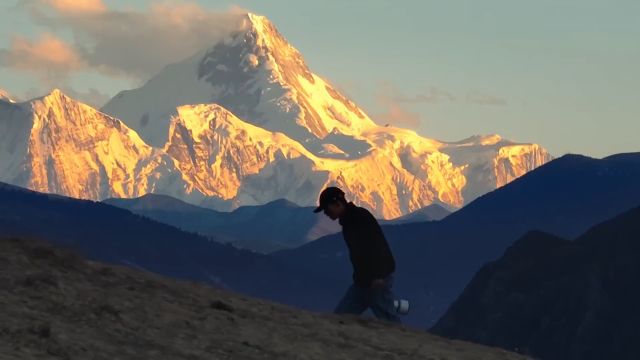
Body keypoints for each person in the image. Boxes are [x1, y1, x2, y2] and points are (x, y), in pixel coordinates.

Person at [313, 186, 402, 323]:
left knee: (389, 321)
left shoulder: (358, 218)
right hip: (363, 282)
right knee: (340, 319)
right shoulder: (350, 221)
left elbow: (376, 247)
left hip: (376, 281)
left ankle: (402, 343)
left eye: (326, 208)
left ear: (337, 203)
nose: (326, 213)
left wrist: (378, 276)